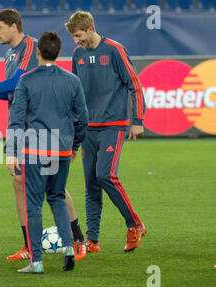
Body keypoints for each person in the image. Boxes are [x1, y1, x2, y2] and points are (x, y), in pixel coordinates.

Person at [0, 9, 86, 261]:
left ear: (14, 26)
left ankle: (77, 239)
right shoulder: (10, 54)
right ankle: (30, 245)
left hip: (39, 133)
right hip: (25, 132)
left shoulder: (29, 47)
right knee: (20, 184)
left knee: (54, 188)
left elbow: (19, 81)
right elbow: (15, 92)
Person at [5, 31, 88, 273]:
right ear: (59, 52)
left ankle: (37, 261)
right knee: (57, 197)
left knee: (33, 204)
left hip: (35, 150)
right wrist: (74, 146)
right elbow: (82, 118)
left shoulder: (27, 80)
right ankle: (69, 247)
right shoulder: (72, 80)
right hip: (61, 149)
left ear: (38, 52)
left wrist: (11, 151)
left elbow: (16, 118)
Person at [65, 11, 146, 253]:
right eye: (72, 37)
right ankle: (93, 240)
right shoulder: (77, 55)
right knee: (91, 185)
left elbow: (135, 84)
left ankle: (135, 225)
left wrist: (137, 120)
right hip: (89, 128)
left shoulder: (114, 50)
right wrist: (74, 135)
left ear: (90, 29)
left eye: (78, 35)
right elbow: (75, 97)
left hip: (114, 125)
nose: (75, 41)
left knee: (105, 175)